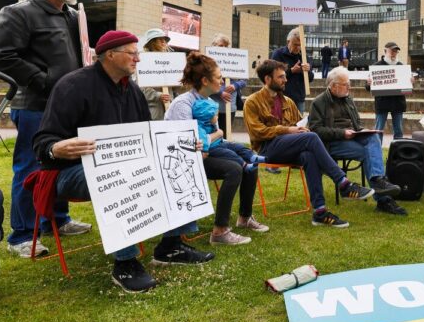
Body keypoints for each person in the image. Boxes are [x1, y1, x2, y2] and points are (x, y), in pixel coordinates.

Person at [32, 31, 214, 293]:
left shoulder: (134, 93)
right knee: (121, 174)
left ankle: (171, 246)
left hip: (122, 166)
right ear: (110, 55)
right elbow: (42, 143)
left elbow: (149, 138)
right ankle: (125, 263)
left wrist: (183, 145)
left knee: (177, 162)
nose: (138, 59)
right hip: (68, 171)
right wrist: (56, 147)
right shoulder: (72, 86)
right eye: (132, 53)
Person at [0, 0, 91, 258]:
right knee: (31, 166)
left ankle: (57, 219)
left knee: (65, 161)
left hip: (69, 105)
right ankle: (21, 234)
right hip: (35, 105)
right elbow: (0, 55)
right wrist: (42, 81)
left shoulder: (72, 15)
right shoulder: (19, 13)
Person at [243, 59, 377, 228]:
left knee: (309, 155)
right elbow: (257, 132)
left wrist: (300, 129)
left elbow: (300, 124)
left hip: (288, 148)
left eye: (285, 76)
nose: (286, 80)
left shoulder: (288, 102)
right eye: (281, 77)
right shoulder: (252, 102)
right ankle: (344, 184)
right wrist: (287, 130)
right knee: (312, 137)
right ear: (268, 79)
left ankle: (320, 212)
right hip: (267, 149)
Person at [168, 51, 268, 245]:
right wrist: (218, 134)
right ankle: (220, 231)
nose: (221, 81)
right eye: (218, 77)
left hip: (206, 151)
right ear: (205, 80)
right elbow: (187, 144)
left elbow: (205, 142)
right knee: (234, 169)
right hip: (185, 160)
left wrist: (214, 138)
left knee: (249, 162)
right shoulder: (184, 104)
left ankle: (244, 217)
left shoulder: (206, 101)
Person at [308, 67, 406, 216]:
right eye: (345, 84)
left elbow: (356, 122)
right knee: (369, 153)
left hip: (351, 138)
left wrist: (361, 131)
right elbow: (315, 130)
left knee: (373, 138)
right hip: (332, 144)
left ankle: (379, 181)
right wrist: (342, 133)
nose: (349, 86)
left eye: (349, 83)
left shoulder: (348, 99)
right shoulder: (319, 102)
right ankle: (383, 199)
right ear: (333, 85)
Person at [207, 33, 247, 137]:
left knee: (226, 135)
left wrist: (235, 85)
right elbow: (205, 82)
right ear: (214, 46)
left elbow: (244, 80)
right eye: (221, 46)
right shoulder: (207, 63)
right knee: (213, 135)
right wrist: (220, 93)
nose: (224, 48)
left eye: (226, 46)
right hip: (213, 106)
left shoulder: (235, 60)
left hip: (230, 106)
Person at [270, 28, 314, 113]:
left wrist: (306, 71)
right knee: (282, 124)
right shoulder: (278, 54)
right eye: (295, 44)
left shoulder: (304, 57)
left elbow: (311, 78)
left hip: (299, 98)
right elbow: (273, 75)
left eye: (300, 45)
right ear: (288, 42)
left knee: (299, 124)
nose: (298, 48)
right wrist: (291, 71)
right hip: (282, 97)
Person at [370, 42, 407, 139]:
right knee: (378, 130)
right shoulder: (376, 67)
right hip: (382, 102)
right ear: (385, 51)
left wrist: (410, 81)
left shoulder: (401, 66)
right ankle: (377, 152)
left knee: (398, 130)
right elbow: (368, 87)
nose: (394, 53)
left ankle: (398, 152)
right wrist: (369, 83)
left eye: (396, 51)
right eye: (392, 50)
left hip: (398, 102)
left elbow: (406, 87)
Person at [139, 28, 173, 121]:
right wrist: (157, 95)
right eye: (160, 39)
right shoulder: (143, 61)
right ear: (152, 42)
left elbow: (177, 88)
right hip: (153, 110)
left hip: (171, 110)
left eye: (165, 40)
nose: (164, 42)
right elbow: (140, 88)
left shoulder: (171, 61)